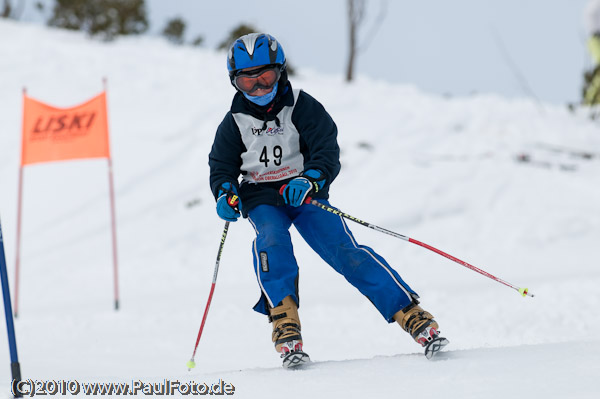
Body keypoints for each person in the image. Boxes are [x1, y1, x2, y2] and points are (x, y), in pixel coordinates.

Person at [209, 33, 446, 367]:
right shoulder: (233, 122)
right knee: (271, 241)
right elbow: (221, 167)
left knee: (342, 249)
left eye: (265, 77)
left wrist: (311, 178)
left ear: (281, 72)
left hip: (303, 192)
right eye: (248, 81)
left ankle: (410, 312)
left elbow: (326, 150)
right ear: (235, 83)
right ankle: (284, 320)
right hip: (261, 196)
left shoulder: (303, 105)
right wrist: (225, 193)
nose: (259, 89)